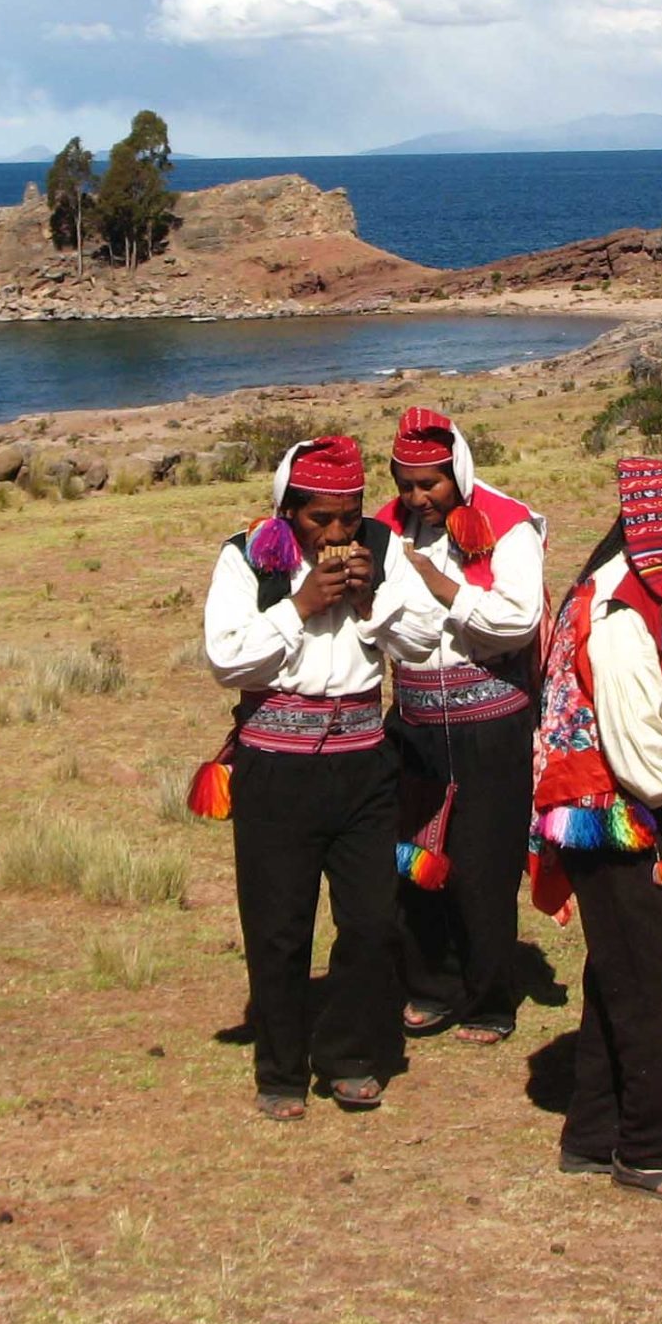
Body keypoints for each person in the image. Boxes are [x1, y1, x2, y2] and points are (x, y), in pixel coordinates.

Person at [527, 457, 662, 1203]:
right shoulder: (618, 615)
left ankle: (595, 1135)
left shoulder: (651, 599)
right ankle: (656, 1152)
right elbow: (646, 754)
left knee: (621, 974)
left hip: (623, 812)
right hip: (611, 817)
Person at [201, 435, 438, 1120]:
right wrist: (299, 607)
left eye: (349, 515)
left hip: (364, 763)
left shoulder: (383, 551)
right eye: (320, 519)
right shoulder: (247, 557)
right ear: (287, 511)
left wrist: (374, 602)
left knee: (370, 922)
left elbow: (424, 641)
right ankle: (280, 1068)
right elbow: (227, 659)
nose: (338, 533)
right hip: (275, 768)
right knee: (278, 926)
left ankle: (351, 1053)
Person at [377, 405, 548, 1046]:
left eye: (431, 484)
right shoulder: (388, 529)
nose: (417, 498)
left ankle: (489, 996)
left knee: (483, 861)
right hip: (416, 715)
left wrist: (444, 588)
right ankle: (429, 982)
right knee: (415, 853)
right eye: (405, 485)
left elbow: (518, 618)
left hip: (492, 720)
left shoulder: (508, 526)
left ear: (459, 472)